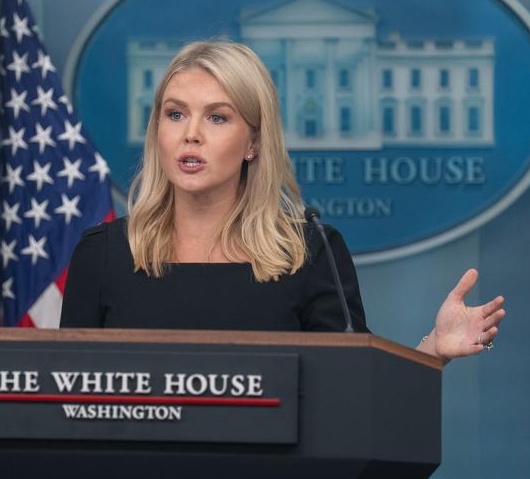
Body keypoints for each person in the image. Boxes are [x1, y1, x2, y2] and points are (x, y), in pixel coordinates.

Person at [60, 41, 505, 361]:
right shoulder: (102, 254)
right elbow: (64, 400)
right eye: (175, 114)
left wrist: (433, 350)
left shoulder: (309, 254)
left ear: (254, 142)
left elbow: (355, 397)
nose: (190, 133)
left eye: (217, 117)